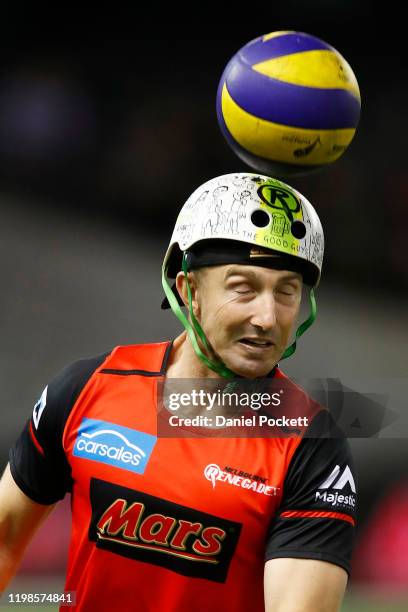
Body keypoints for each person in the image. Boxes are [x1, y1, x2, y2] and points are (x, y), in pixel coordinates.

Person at [0, 173, 357, 611]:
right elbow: (5, 535)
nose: (267, 317)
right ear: (188, 291)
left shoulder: (311, 444)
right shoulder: (86, 389)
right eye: (243, 288)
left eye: (287, 291)